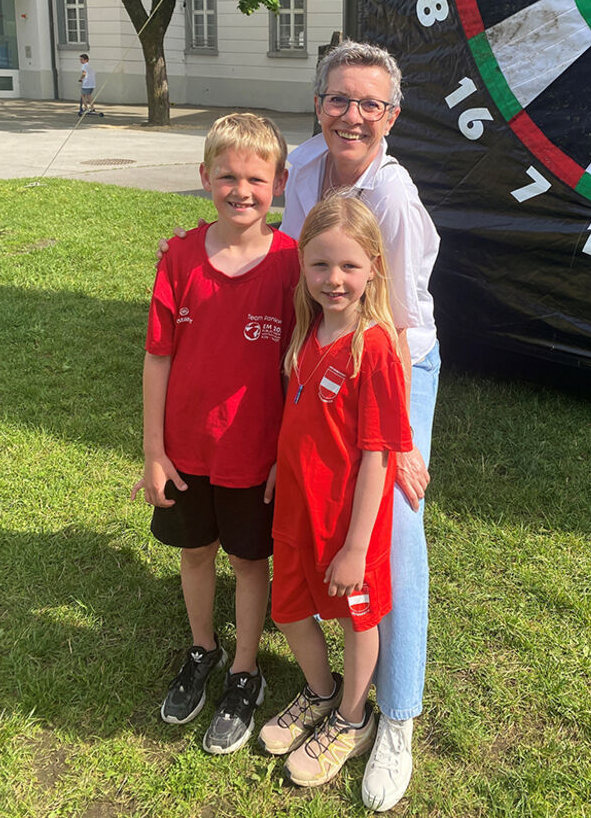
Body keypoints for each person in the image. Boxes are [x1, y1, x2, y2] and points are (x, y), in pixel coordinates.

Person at [158, 41, 439, 808]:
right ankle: (325, 693)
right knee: (313, 530)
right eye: (340, 98)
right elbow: (287, 252)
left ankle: (391, 717)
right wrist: (190, 250)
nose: (353, 115)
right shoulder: (307, 163)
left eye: (370, 103)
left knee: (389, 534)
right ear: (319, 103)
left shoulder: (394, 196)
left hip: (396, 356)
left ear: (393, 115)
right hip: (319, 355)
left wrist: (404, 440)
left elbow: (400, 319)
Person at [132, 113, 298, 756]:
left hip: (256, 454)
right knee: (195, 552)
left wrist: (285, 455)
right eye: (226, 175)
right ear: (204, 178)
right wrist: (153, 450)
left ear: (278, 182)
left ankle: (245, 670)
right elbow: (158, 356)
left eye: (256, 177)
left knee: (249, 563)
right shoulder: (178, 257)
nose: (241, 189)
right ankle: (204, 648)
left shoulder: (292, 265)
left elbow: (301, 367)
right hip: (186, 453)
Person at [258, 194, 412, 789]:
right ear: (303, 266)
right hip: (297, 507)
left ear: (374, 263)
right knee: (289, 607)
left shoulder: (373, 349)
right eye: (320, 265)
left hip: (349, 523)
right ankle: (320, 694)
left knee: (355, 619)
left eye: (348, 265)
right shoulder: (310, 326)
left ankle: (353, 718)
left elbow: (379, 454)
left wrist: (354, 547)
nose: (334, 279)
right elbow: (302, 416)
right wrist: (280, 463)